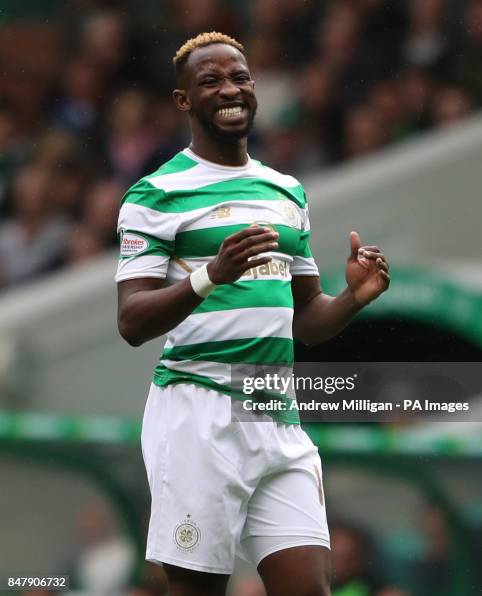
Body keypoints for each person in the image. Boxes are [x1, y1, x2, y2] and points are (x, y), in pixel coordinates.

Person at [116, 32, 390, 596]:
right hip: (197, 413)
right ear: (183, 101)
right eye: (210, 81)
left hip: (275, 409)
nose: (230, 90)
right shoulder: (156, 194)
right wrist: (209, 274)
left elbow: (307, 317)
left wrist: (353, 297)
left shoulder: (284, 190)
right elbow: (132, 322)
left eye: (239, 77)